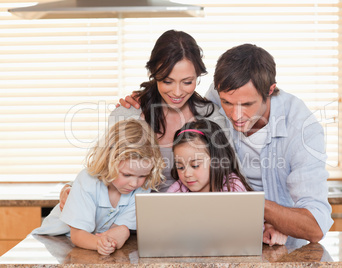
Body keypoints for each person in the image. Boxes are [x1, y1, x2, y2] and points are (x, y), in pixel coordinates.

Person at [120, 43, 333, 243]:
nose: (236, 115)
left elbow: (316, 226)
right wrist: (147, 97)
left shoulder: (303, 131)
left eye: (247, 104)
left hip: (277, 240)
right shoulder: (217, 94)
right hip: (221, 235)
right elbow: (180, 92)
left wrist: (250, 205)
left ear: (270, 90)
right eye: (227, 103)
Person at [59, 29, 228, 209]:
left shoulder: (212, 119)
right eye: (167, 81)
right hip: (131, 217)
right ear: (154, 75)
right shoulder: (128, 115)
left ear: (198, 77)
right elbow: (105, 165)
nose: (177, 92)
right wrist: (74, 187)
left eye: (187, 82)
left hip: (196, 214)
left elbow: (227, 177)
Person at [32, 119, 165, 255]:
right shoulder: (88, 181)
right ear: (109, 162)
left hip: (87, 239)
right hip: (52, 240)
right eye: (126, 174)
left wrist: (119, 234)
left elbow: (116, 232)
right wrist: (98, 243)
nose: (134, 183)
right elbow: (77, 234)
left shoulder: (142, 188)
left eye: (142, 176)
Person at [167, 119, 253, 193]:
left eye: (195, 165)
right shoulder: (177, 191)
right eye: (180, 167)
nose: (187, 174)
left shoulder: (233, 189)